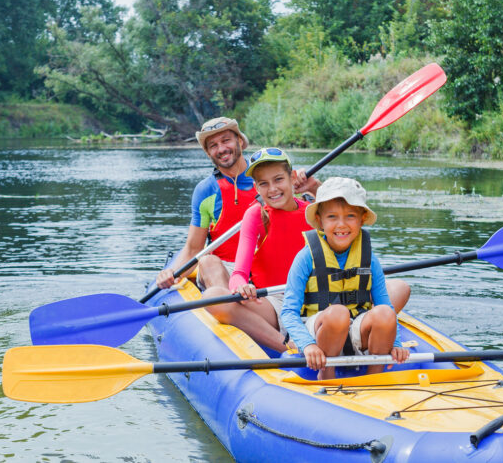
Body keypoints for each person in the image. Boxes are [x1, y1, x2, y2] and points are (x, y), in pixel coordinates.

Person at [204, 148, 410, 353]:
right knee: (214, 297)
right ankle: (287, 345)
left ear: (292, 178)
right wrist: (240, 286)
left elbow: (342, 230)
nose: (272, 189)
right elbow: (239, 273)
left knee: (400, 288)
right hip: (277, 301)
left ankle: (364, 329)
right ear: (256, 187)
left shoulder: (315, 214)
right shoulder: (256, 215)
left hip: (323, 295)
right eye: (264, 183)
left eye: (278, 179)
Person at [155, 118, 319, 294]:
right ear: (208, 153)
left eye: (226, 140)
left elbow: (320, 214)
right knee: (208, 262)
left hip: (269, 266)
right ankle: (229, 304)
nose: (221, 149)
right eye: (213, 145)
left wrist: (314, 187)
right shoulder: (206, 191)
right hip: (226, 267)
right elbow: (194, 248)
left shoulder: (270, 177)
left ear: (240, 141)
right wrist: (172, 273)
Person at [281, 177, 409, 380]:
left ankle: (373, 378)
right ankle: (327, 375)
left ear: (362, 219)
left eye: (350, 216)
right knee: (338, 313)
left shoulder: (369, 259)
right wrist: (307, 344)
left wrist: (396, 344)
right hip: (319, 331)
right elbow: (289, 312)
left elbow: (385, 305)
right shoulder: (305, 257)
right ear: (320, 221)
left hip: (356, 328)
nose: (341, 224)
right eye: (332, 217)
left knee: (385, 313)